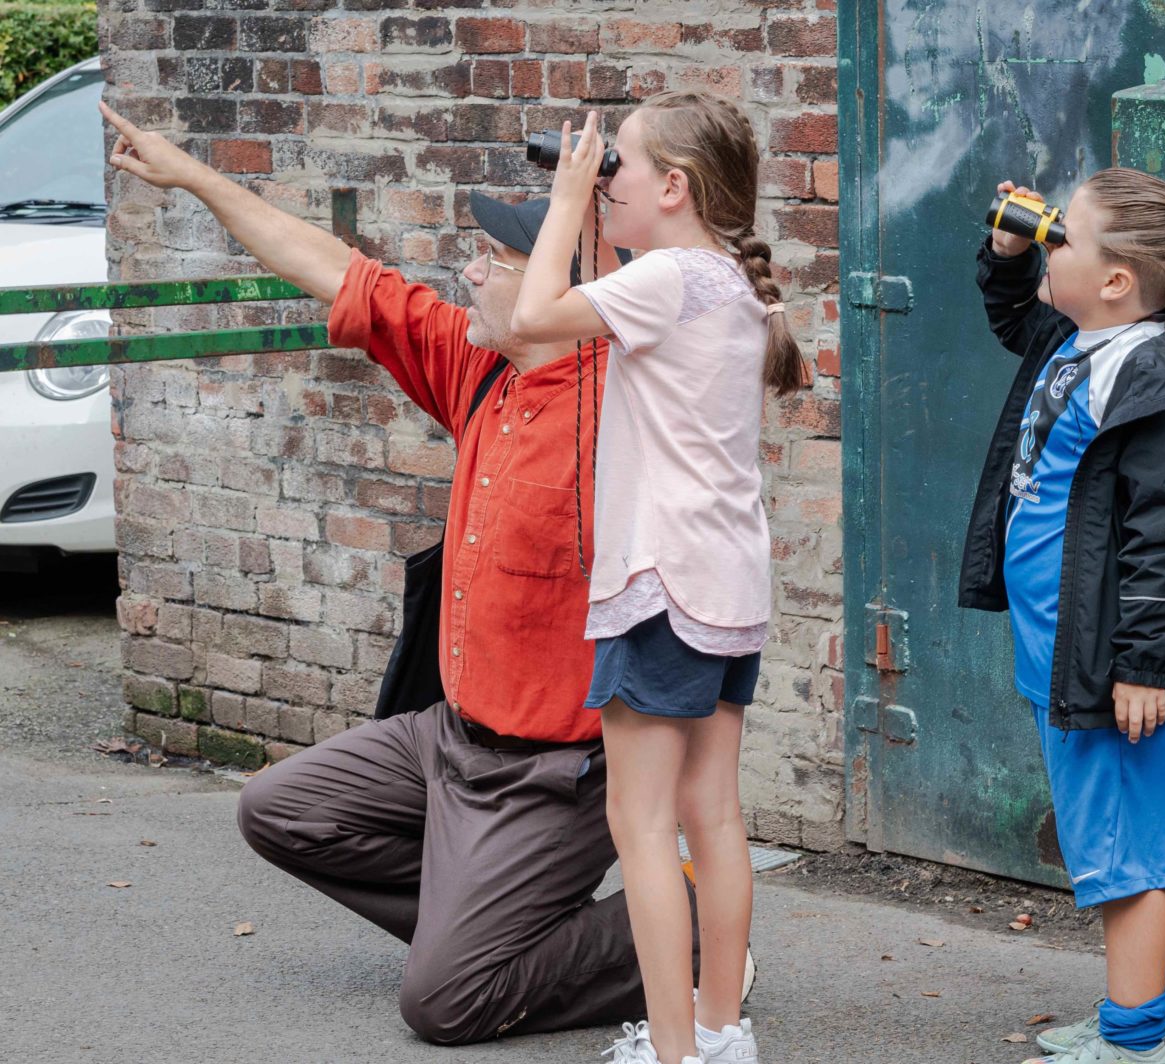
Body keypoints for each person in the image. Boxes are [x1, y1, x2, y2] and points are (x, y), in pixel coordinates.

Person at [98, 100, 752, 1047]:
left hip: (552, 770)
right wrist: (194, 176)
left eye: (491, 259)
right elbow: (332, 267)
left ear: (554, 286)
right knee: (279, 810)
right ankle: (490, 929)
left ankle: (672, 942)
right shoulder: (475, 366)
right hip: (447, 739)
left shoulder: (627, 403)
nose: (471, 273)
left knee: (441, 1003)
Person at [504, 92, 805, 1064]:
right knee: (712, 811)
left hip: (659, 582)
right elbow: (594, 312)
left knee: (637, 822)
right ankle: (719, 1031)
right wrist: (589, 214)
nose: (605, 181)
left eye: (617, 167)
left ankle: (673, 1053)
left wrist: (559, 201)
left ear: (673, 187)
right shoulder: (727, 280)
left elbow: (532, 319)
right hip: (727, 583)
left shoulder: (670, 276)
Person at [959, 169, 1165, 1064]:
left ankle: (1135, 1043)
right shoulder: (1084, 340)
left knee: (1129, 852)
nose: (1048, 242)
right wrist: (1010, 253)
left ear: (1117, 281)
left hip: (1111, 662)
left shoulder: (1152, 379)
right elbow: (1015, 316)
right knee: (1112, 838)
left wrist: (1144, 664)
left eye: (1062, 238)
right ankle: (1136, 1016)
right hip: (1065, 650)